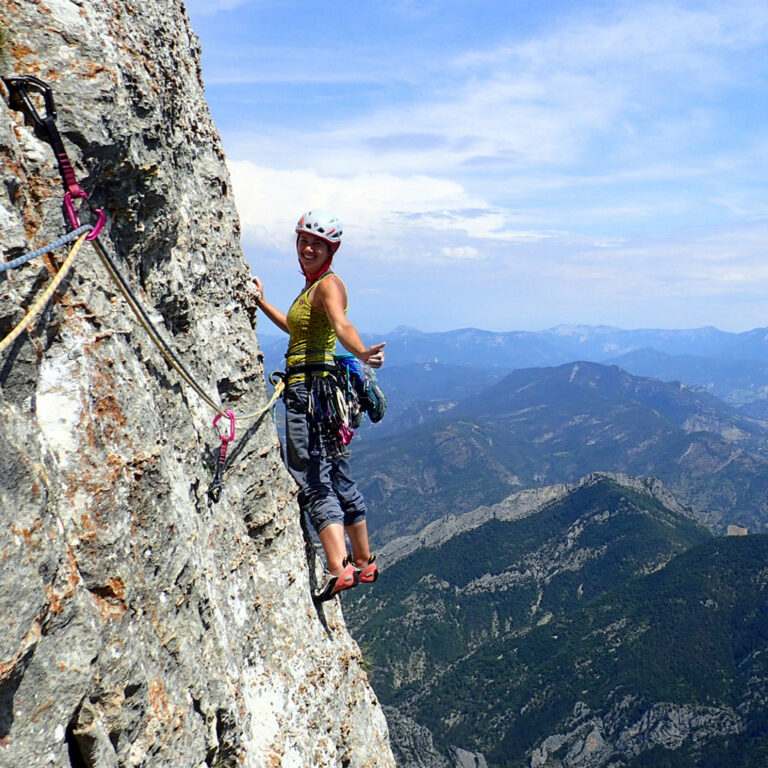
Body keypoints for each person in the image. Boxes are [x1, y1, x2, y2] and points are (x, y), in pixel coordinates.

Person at [251, 210, 386, 602]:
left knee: (312, 478)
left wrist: (361, 350)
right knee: (338, 474)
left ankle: (337, 567)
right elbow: (297, 329)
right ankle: (363, 560)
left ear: (332, 250)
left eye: (318, 244)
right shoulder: (313, 289)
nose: (308, 248)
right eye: (304, 240)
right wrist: (261, 303)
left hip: (307, 393)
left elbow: (342, 325)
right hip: (325, 396)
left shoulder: (328, 286)